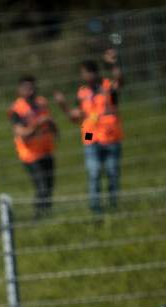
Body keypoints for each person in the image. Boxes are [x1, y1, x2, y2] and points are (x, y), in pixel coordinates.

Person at [55, 49, 124, 213]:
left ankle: (114, 206)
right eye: (84, 73)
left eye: (88, 73)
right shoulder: (82, 93)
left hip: (110, 135)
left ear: (95, 73)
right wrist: (63, 105)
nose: (86, 76)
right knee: (94, 173)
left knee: (112, 172)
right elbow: (75, 117)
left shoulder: (107, 87)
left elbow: (120, 81)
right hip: (90, 135)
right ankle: (95, 208)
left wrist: (113, 64)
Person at [9, 75, 58, 219]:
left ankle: (47, 216)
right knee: (41, 187)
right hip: (30, 155)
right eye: (27, 88)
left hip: (46, 150)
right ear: (19, 90)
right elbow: (22, 133)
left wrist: (54, 129)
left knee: (49, 187)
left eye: (33, 88)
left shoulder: (42, 103)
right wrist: (38, 123)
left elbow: (49, 120)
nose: (31, 91)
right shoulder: (16, 109)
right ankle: (38, 217)